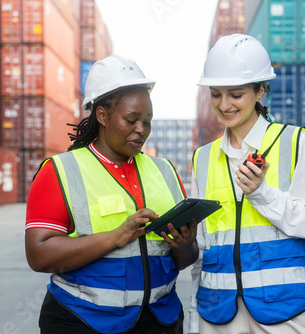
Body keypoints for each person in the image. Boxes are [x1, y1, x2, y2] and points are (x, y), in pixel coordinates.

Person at [25, 55, 198, 334]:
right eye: (131, 120)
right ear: (102, 115)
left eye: (148, 121)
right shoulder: (60, 171)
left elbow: (185, 259)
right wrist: (117, 236)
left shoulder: (165, 171)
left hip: (160, 320)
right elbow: (38, 255)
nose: (141, 130)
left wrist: (184, 244)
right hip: (82, 321)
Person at [188, 34, 305, 334]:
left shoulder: (295, 142)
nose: (224, 105)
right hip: (217, 310)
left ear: (260, 90)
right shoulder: (203, 157)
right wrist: (194, 315)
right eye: (215, 94)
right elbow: (202, 247)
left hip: (281, 308)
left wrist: (262, 194)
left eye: (235, 94)